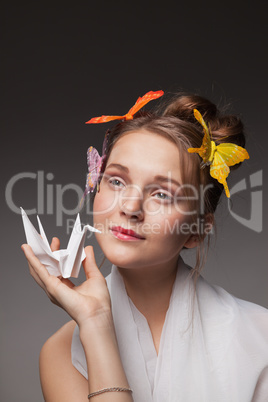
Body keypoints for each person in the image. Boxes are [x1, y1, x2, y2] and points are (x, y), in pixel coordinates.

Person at [22, 91, 268, 401]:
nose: (130, 207)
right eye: (116, 181)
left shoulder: (260, 342)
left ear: (196, 230)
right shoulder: (61, 354)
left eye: (162, 194)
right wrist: (95, 324)